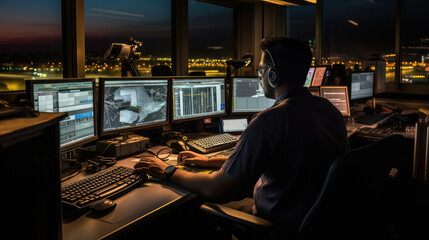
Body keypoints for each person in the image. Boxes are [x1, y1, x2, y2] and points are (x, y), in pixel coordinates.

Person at [134, 36, 350, 237]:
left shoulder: (271, 120)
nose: (260, 75)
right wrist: (210, 161)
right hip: (311, 221)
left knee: (189, 212)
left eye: (262, 69)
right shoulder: (328, 110)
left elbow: (215, 188)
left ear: (273, 75)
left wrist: (167, 171)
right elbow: (288, 160)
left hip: (276, 225)